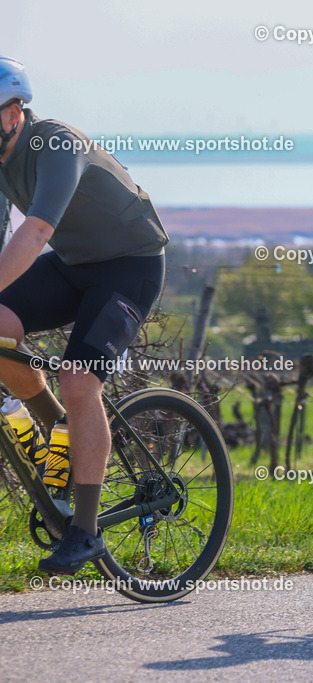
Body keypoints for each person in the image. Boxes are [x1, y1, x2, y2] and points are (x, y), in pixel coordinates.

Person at [0, 57, 168, 574]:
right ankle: (61, 436)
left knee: (78, 380)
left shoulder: (55, 142)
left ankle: (85, 531)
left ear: (11, 114)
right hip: (75, 265)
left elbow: (35, 232)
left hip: (130, 266)